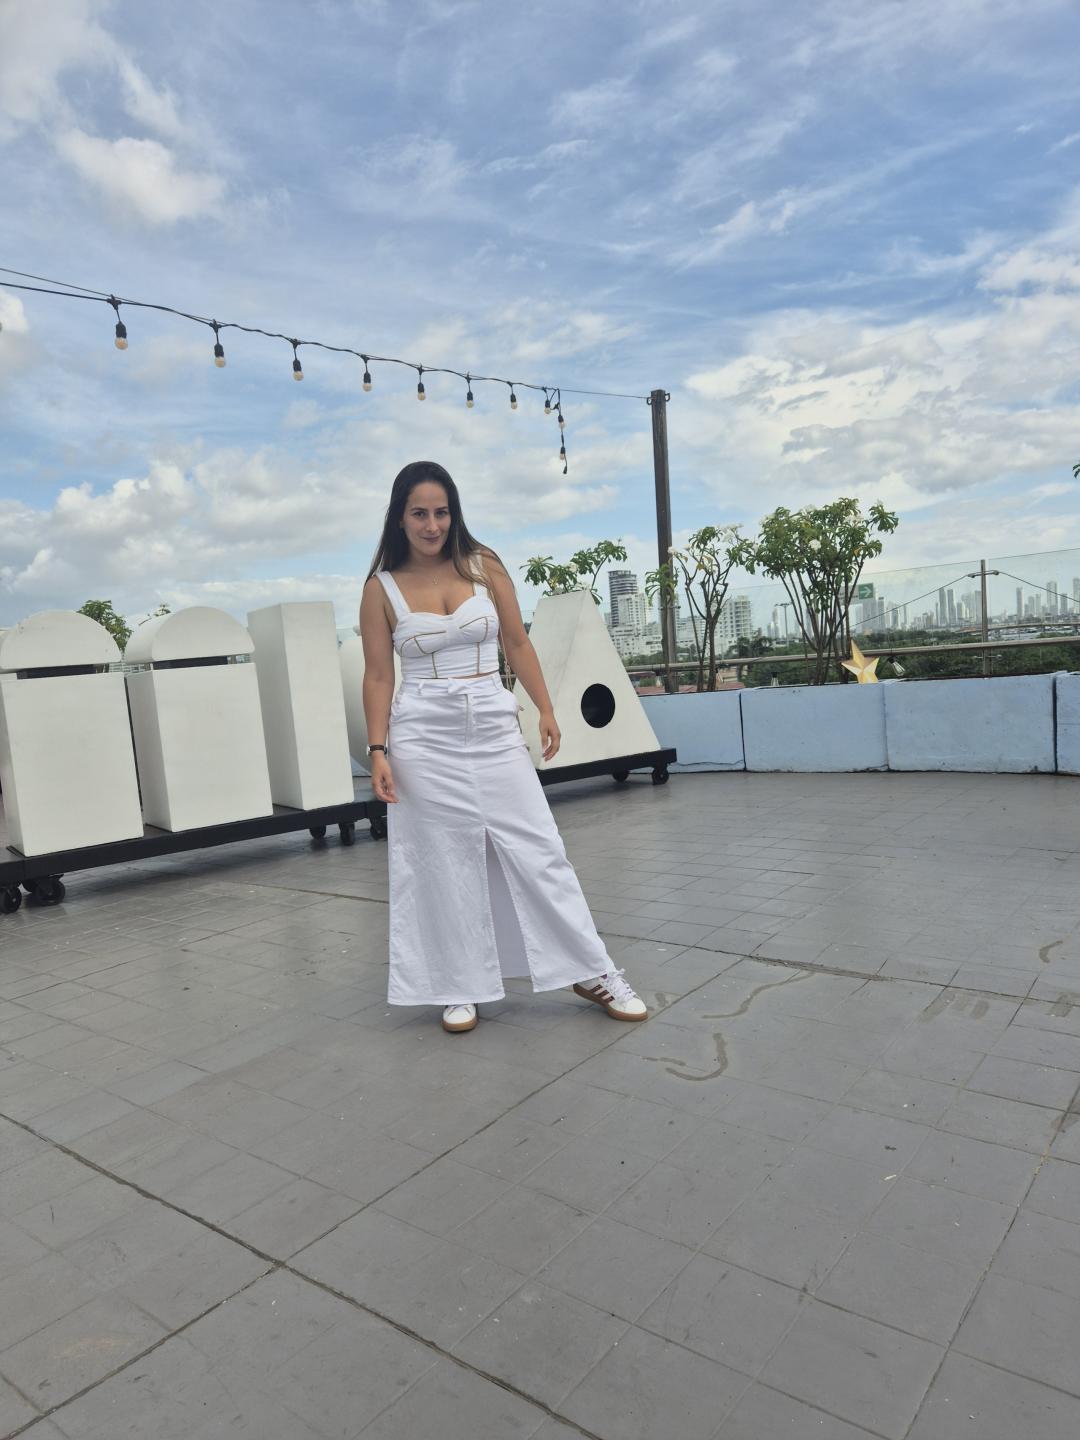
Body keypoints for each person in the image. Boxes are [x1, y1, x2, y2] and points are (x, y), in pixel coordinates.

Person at [358, 460, 648, 1034]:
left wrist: (546, 708)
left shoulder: (483, 565)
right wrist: (377, 750)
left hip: (493, 729)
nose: (432, 525)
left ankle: (592, 970)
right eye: (419, 513)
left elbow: (516, 642)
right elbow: (378, 676)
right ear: (399, 518)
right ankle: (457, 983)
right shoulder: (380, 590)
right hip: (423, 739)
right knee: (442, 861)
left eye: (442, 512)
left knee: (541, 849)